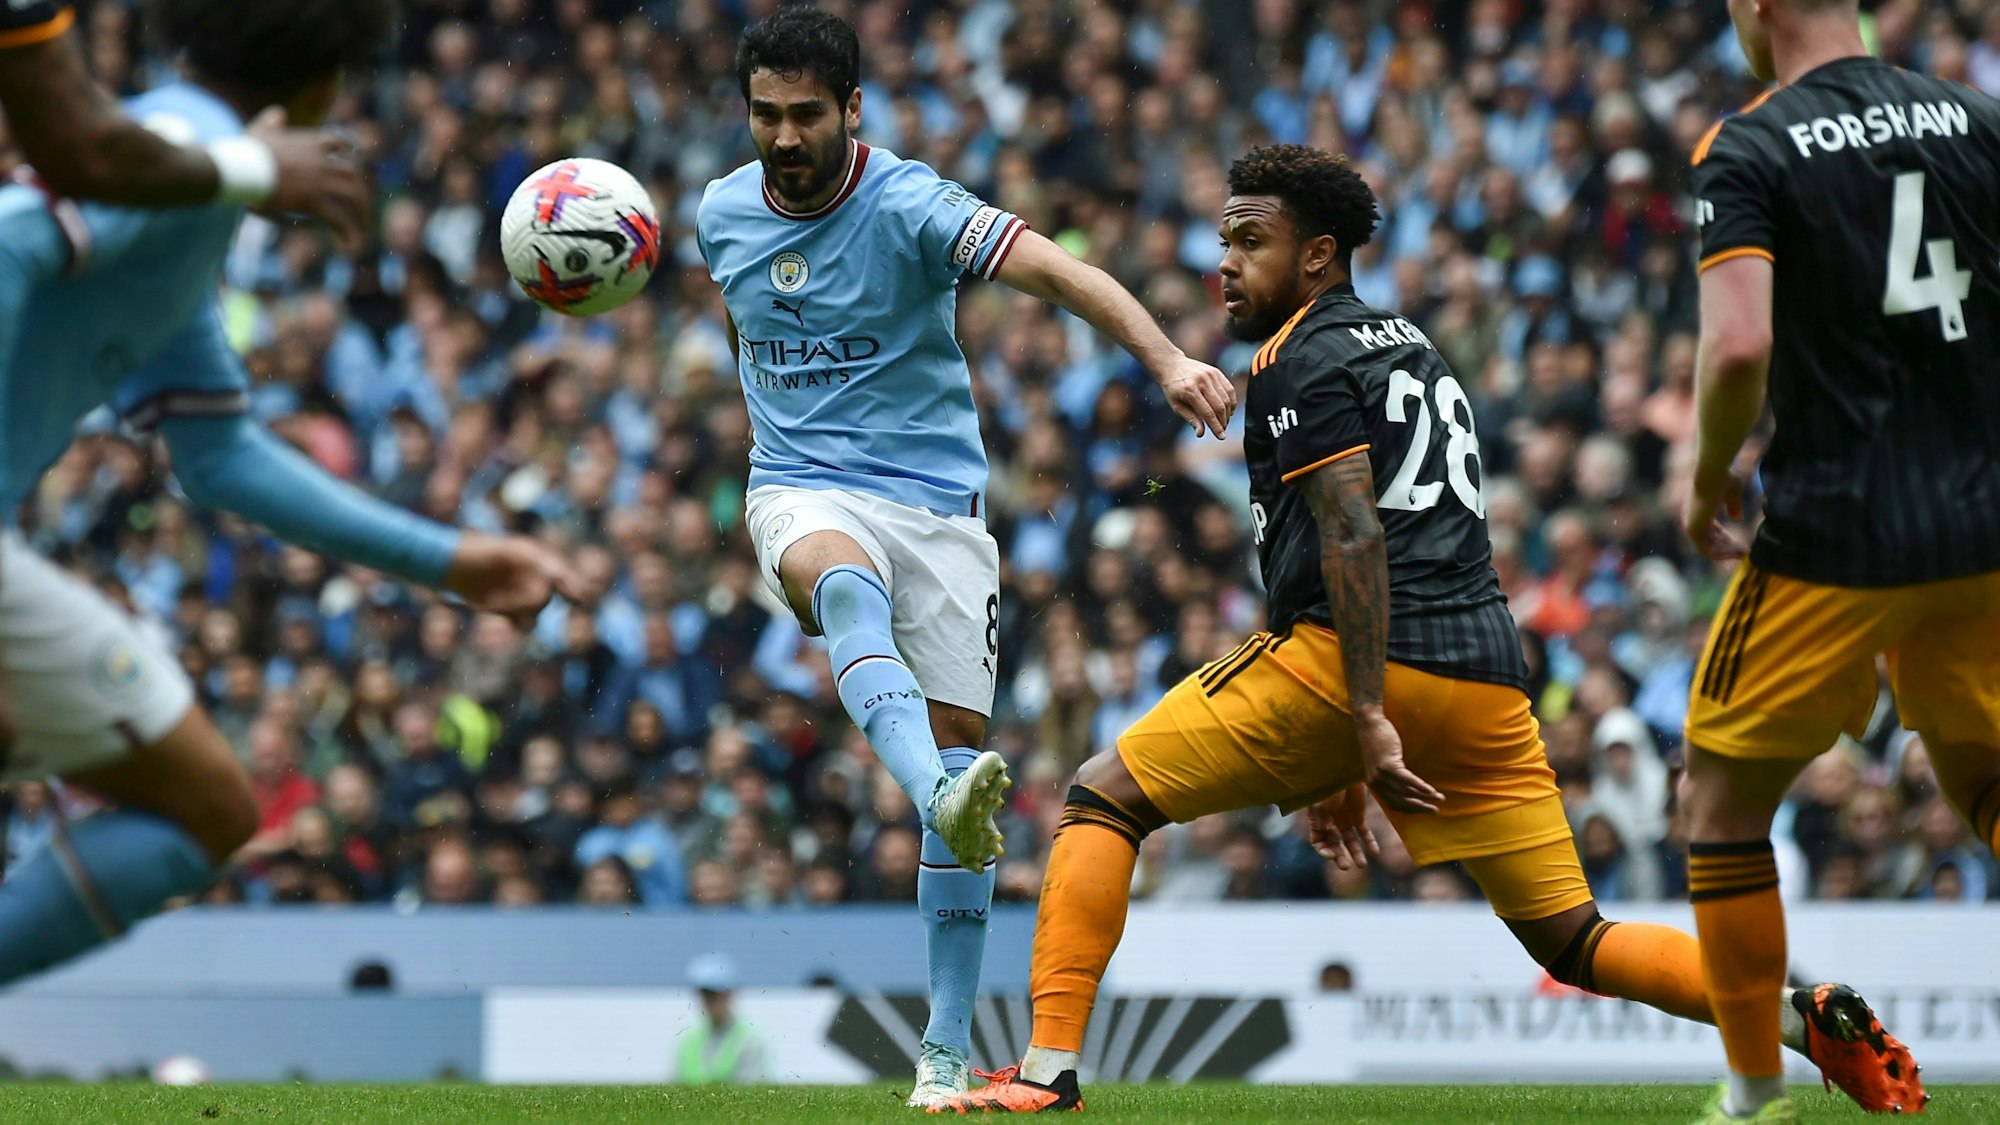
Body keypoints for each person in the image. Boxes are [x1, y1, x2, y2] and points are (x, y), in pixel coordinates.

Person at [931, 145, 1911, 1115]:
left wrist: (1359, 723)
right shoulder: (1412, 346)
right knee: (1572, 935)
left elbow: (1353, 534)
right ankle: (1792, 1019)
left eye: (1248, 240)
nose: (1222, 261)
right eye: (1222, 238)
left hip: (1354, 664)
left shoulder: (1290, 361)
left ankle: (1044, 1071)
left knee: (1102, 800)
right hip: (1482, 677)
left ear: (1317, 256)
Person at [695, 9, 1235, 1106]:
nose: (785, 137)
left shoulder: (909, 205)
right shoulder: (717, 213)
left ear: (853, 110)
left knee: (960, 774)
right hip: (799, 487)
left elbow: (1056, 273)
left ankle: (940, 1050)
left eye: (807, 115)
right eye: (766, 115)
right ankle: (930, 795)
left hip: (938, 508)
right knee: (840, 586)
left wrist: (1167, 356)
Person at [0, 0, 574, 987]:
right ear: (322, 91)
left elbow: (219, 453)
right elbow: (11, 239)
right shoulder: (185, 147)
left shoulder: (186, 191)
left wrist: (447, 559)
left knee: (207, 807)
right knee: (170, 796)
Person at [1678, 0, 2000, 1117]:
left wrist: (1704, 466)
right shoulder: (1975, 116)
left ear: (1758, 10)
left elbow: (1737, 344)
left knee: (1717, 805)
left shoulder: (1748, 144)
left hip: (1834, 536)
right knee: (1979, 774)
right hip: (1986, 523)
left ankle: (1755, 1087)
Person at [0, 0, 365, 241]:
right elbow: (85, 158)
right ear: (325, 86)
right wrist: (258, 168)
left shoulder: (196, 149)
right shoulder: (194, 139)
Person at [673, 953, 767, 1085]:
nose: (709, 1001)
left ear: (730, 994)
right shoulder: (688, 1041)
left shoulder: (749, 1040)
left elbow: (753, 1090)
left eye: (714, 994)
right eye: (704, 994)